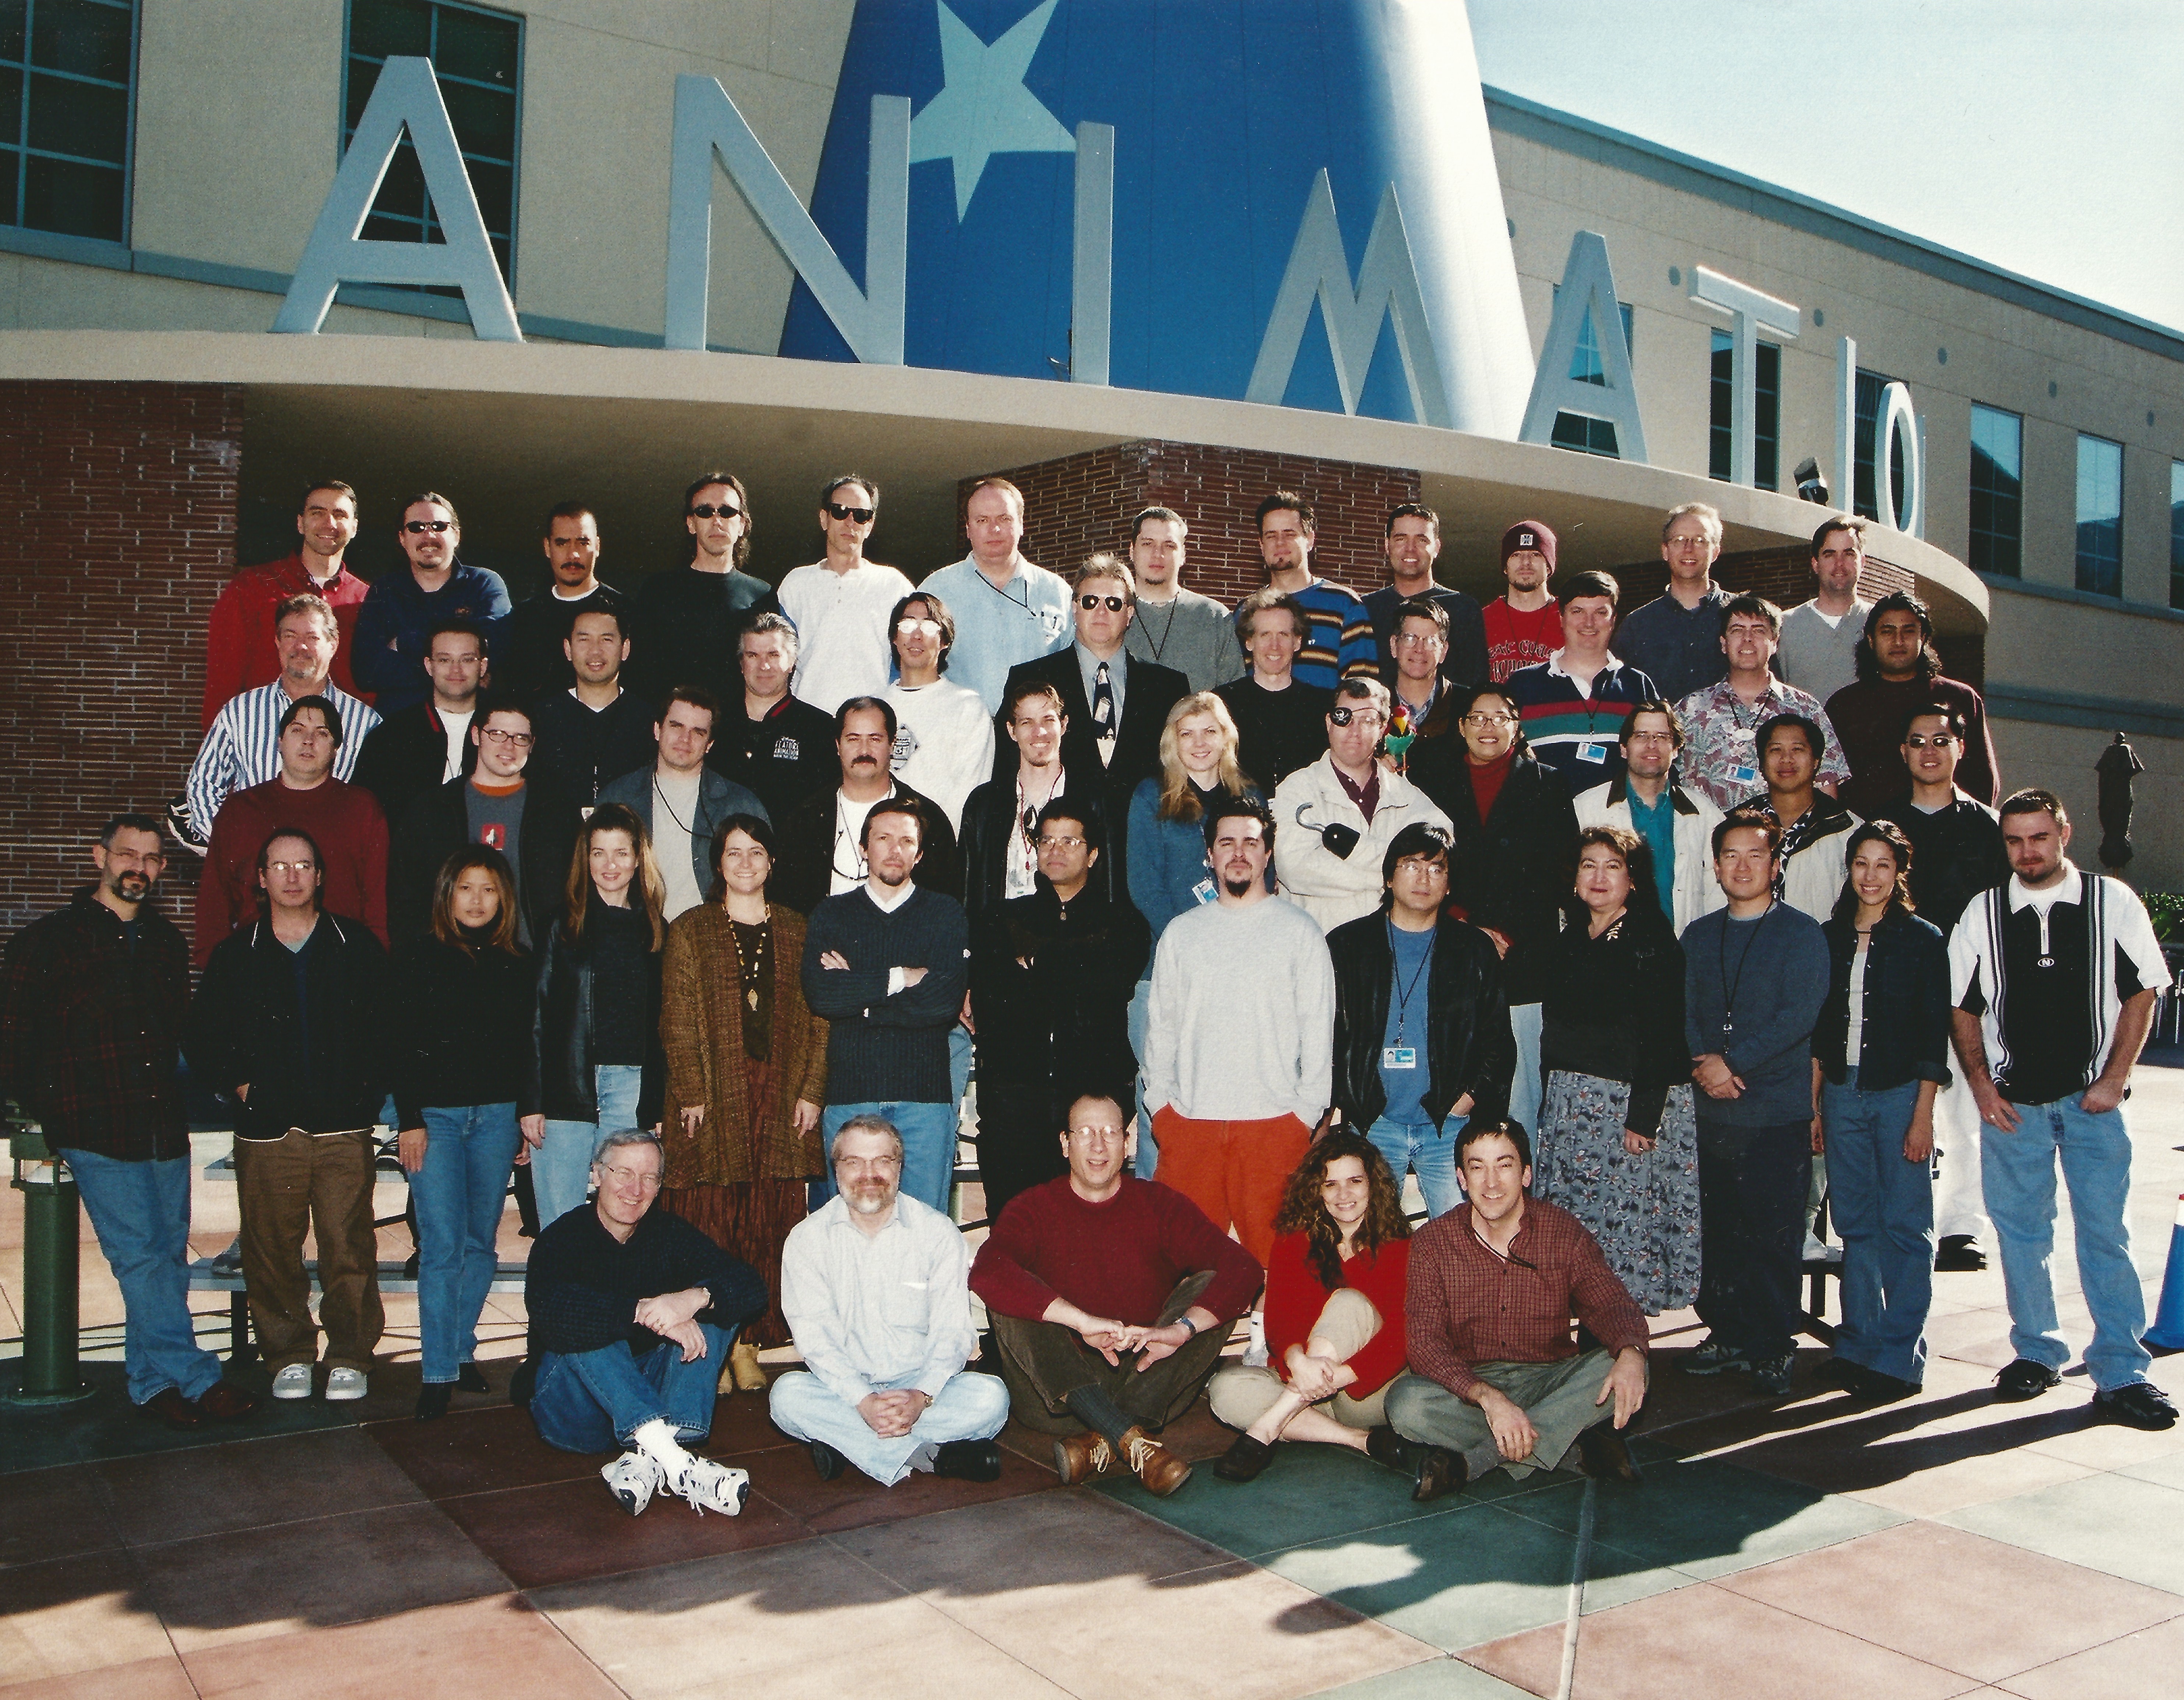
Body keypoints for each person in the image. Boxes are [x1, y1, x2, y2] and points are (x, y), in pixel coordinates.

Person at [0, 815, 259, 1429]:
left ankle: (150, 1383)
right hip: (94, 1129)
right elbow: (14, 1036)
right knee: (141, 1257)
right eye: (126, 855)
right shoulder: (48, 941)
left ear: (162, 869)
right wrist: (49, 1116)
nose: (137, 867)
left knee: (167, 1256)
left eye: (150, 858)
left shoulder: (167, 945)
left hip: (159, 1126)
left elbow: (178, 1037)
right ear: (100, 858)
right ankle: (199, 1378)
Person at [1948, 789, 2177, 1429]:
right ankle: (2037, 1353)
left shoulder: (2111, 902)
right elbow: (1961, 1007)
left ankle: (2121, 1372)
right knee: (2022, 1237)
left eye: (2039, 838)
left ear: (2064, 833)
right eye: (2015, 840)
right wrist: (1980, 1086)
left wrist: (2113, 1079)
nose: (2028, 851)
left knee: (2107, 1235)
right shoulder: (1983, 913)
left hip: (2091, 1104)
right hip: (2012, 1107)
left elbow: (2142, 993)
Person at [970, 1096, 1264, 1495]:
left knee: (1212, 1288)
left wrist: (1182, 1329)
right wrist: (1080, 1322)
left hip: (1147, 1382)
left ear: (1127, 1144)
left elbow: (1242, 1267)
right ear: (1064, 1144)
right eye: (1085, 1133)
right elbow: (987, 1271)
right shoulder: (1033, 1208)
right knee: (1012, 1295)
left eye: (1110, 1133)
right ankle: (1133, 1440)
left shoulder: (1158, 1204)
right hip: (1056, 1395)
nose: (1098, 1146)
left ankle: (1106, 1441)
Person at [188, 828, 390, 1402]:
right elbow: (204, 1037)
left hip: (341, 1128)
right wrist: (243, 1087)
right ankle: (289, 1353)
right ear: (261, 877)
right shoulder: (237, 954)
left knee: (348, 1247)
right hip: (268, 1130)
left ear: (320, 876)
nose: (293, 876)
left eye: (304, 865)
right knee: (272, 1248)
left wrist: (363, 1095)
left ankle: (351, 1353)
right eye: (280, 866)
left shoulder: (354, 945)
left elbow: (387, 1028)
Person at [1384, 1120, 1650, 1497]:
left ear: (1525, 1174)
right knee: (1405, 1404)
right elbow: (1425, 1344)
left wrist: (1630, 1352)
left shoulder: (1562, 1232)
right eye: (1477, 1167)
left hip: (1549, 1379)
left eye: (1504, 1165)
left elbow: (1610, 1303)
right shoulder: (1433, 1242)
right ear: (1461, 1178)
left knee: (1625, 1366)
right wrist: (1488, 1398)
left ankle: (1472, 1463)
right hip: (1472, 1389)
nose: (1490, 1183)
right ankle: (1570, 1446)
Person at [659, 816, 829, 1396]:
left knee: (768, 1220)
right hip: (713, 1093)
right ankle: (712, 1345)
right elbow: (678, 1018)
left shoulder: (798, 929)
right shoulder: (691, 929)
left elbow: (819, 1021)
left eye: (757, 852)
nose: (747, 863)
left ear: (772, 863)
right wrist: (692, 1093)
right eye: (735, 853)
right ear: (718, 863)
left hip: (780, 1094)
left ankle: (750, 1344)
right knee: (709, 1220)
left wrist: (811, 1092)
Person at [518, 1128, 767, 1517]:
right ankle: (680, 1465)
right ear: (597, 1175)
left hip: (650, 1400)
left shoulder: (668, 1233)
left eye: (649, 1178)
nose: (635, 1189)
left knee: (716, 1307)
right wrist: (645, 1312)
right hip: (576, 1412)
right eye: (623, 1174)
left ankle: (653, 1453)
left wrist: (692, 1299)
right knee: (590, 1322)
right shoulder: (560, 1239)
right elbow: (552, 1311)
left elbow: (749, 1285)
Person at [1143, 797, 1334, 1271]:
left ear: (1268, 853)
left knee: (1282, 1270)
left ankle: (1265, 1347)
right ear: (1208, 855)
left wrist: (1302, 1117)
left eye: (1251, 842)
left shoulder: (1300, 933)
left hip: (1273, 1128)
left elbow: (1318, 1034)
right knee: (1182, 1272)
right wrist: (1163, 1111)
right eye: (1226, 842)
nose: (1239, 853)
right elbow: (1160, 1031)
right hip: (1191, 1126)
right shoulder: (1182, 934)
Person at [769, 1116, 1011, 1485]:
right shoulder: (807, 1240)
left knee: (991, 1398)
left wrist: (921, 1396)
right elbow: (815, 1341)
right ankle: (929, 1457)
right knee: (786, 1397)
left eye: (882, 1161)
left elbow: (952, 1333)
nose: (869, 1173)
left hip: (920, 1389)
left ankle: (847, 1447)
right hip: (844, 1393)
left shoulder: (936, 1232)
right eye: (854, 1162)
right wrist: (862, 1401)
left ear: (899, 1167)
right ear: (837, 1169)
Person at [1680, 810, 1831, 1398]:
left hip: (1774, 1112)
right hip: (1712, 1109)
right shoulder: (1698, 934)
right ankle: (1727, 1334)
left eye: (1756, 855)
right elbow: (1687, 1011)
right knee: (1718, 1233)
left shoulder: (1801, 933)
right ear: (1715, 867)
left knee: (1772, 1233)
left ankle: (1773, 1344)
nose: (1743, 867)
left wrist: (1732, 1064)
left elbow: (1800, 1017)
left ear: (1775, 864)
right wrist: (1704, 1063)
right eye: (1731, 857)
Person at [391, 847, 536, 1421]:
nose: (477, 901)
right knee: (443, 1245)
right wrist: (410, 1119)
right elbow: (399, 1043)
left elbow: (528, 1047)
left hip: (498, 1118)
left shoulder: (518, 962)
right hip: (437, 1121)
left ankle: (460, 1351)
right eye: (466, 889)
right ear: (447, 895)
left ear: (504, 900)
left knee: (481, 1243)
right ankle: (436, 1371)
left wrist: (526, 1115)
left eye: (490, 890)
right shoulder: (416, 958)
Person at [1531, 827, 1699, 1315]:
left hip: (1627, 1110)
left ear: (1633, 880)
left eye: (1612, 866)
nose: (1599, 877)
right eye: (1589, 865)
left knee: (1625, 1238)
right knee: (1577, 1233)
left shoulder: (1651, 940)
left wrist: (1644, 1118)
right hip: (1571, 1108)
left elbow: (1665, 1035)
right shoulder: (1570, 939)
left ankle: (1625, 1353)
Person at [1811, 822, 1950, 1402]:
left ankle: (1899, 1356)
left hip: (1898, 1097)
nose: (1870, 877)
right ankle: (1859, 1342)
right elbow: (1820, 1033)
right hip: (1841, 1096)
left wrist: (1923, 1117)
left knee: (1906, 1226)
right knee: (1857, 1225)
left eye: (1883, 866)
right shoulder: (1830, 936)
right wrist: (1815, 1106)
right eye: (1861, 864)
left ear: (1900, 874)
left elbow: (1931, 1036)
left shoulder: (1921, 939)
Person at [1407, 684, 1580, 1139]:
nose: (1487, 726)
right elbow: (1424, 865)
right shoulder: (1431, 783)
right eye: (1476, 717)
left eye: (1498, 717)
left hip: (1522, 959)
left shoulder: (1548, 784)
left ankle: (1522, 1197)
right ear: (1461, 727)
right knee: (1456, 1087)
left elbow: (1559, 876)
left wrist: (1500, 932)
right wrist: (1466, 925)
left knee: (1520, 1094)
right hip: (1452, 952)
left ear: (1516, 726)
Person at [970, 800, 1148, 1222]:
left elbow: (1108, 986)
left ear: (1092, 854)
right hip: (1015, 1098)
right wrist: (1075, 963)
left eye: (1070, 840)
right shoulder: (1002, 916)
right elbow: (995, 997)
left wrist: (1036, 963)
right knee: (1015, 1227)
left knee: (1092, 1229)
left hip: (1091, 1097)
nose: (1056, 849)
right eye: (1046, 839)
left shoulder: (1122, 922)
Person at [1328, 824, 1512, 1221]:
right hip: (1374, 1123)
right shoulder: (1347, 946)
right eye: (1411, 865)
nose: (1423, 877)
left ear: (1449, 885)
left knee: (1464, 1243)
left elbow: (1498, 1041)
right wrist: (1348, 1104)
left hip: (1447, 1126)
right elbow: (1328, 1037)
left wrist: (1466, 1102)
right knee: (1369, 1242)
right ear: (1389, 877)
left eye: (1436, 868)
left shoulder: (1472, 950)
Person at [1206, 1133, 1415, 1481]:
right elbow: (1280, 1320)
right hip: (1306, 1382)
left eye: (1355, 1182)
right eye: (1330, 1184)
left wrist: (1341, 1377)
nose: (1343, 1195)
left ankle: (1267, 1429)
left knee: (1348, 1302)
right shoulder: (1293, 1241)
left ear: (1373, 1185)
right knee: (1224, 1391)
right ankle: (1359, 1442)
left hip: (1364, 1392)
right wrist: (1297, 1361)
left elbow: (1403, 1334)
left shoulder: (1402, 1247)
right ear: (1316, 1190)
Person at [801, 796, 971, 1215]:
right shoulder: (831, 914)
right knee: (847, 1232)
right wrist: (903, 978)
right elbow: (823, 995)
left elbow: (944, 1003)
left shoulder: (945, 914)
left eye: (906, 841)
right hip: (850, 1095)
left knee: (923, 1230)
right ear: (864, 847)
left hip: (924, 1101)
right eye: (883, 838)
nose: (895, 849)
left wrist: (859, 998)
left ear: (920, 853)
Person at [1894, 702, 2010, 1271]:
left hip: (1970, 991)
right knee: (1909, 1113)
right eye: (1918, 741)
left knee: (1967, 1114)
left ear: (1961, 749)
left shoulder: (1989, 826)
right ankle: (1910, 1218)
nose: (1930, 751)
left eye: (1941, 740)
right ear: (1904, 752)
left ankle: (1963, 1228)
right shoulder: (1884, 825)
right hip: (1902, 992)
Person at [524, 804, 668, 1229]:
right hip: (565, 1086)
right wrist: (532, 1103)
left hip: (629, 1086)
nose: (610, 865)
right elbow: (536, 1016)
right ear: (584, 859)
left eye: (621, 853)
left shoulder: (656, 930)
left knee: (625, 1214)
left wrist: (657, 1102)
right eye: (598, 852)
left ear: (638, 858)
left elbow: (661, 1029)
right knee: (560, 1220)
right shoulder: (558, 926)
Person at [994, 553, 1190, 859]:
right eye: (1090, 602)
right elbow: (1006, 770)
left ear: (1129, 614)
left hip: (1142, 849)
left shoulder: (1168, 687)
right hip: (1059, 853)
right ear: (1074, 609)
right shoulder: (1029, 678)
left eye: (1113, 603)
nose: (1101, 612)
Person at [197, 695, 388, 965]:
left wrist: (375, 965)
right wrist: (215, 968)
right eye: (298, 730)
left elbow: (378, 901)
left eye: (322, 733)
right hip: (256, 965)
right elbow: (214, 899)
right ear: (280, 741)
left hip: (341, 964)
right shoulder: (241, 810)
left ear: (336, 749)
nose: (308, 741)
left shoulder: (362, 809)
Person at [184, 592, 380, 845]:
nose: (301, 647)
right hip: (253, 868)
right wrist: (237, 848)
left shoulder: (365, 723)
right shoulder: (240, 712)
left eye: (312, 637)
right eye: (290, 636)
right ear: (277, 642)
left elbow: (376, 806)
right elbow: (203, 787)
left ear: (333, 644)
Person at [389, 698, 582, 949]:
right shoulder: (432, 810)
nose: (509, 746)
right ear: (476, 736)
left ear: (532, 745)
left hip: (531, 966)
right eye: (497, 734)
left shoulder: (556, 812)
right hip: (449, 965)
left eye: (520, 738)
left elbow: (577, 895)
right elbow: (405, 899)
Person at [1274, 677, 1454, 932]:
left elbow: (1442, 849)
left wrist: (1356, 853)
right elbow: (1295, 870)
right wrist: (1397, 873)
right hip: (1321, 950)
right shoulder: (1297, 790)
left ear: (1383, 729)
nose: (1354, 730)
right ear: (1329, 723)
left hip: (1388, 952)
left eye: (1368, 721)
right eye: (1343, 717)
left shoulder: (1405, 796)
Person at [773, 696, 960, 916]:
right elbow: (787, 910)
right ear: (838, 746)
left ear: (892, 744)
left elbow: (945, 910)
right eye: (853, 739)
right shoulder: (806, 819)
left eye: (875, 739)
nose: (864, 750)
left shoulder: (928, 820)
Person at [595, 687, 770, 921]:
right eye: (676, 726)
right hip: (636, 935)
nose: (685, 739)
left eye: (698, 732)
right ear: (657, 730)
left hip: (710, 938)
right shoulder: (617, 797)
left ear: (709, 744)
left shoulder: (740, 805)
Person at [202, 481, 369, 725]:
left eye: (339, 515)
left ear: (354, 527)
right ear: (300, 523)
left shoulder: (369, 600)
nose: (329, 523)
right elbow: (223, 679)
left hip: (343, 746)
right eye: (318, 513)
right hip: (261, 739)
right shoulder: (252, 587)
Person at [1825, 591, 2000, 818]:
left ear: (1924, 638)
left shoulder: (1960, 699)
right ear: (1871, 640)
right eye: (1887, 632)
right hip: (1868, 839)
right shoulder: (1843, 706)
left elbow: (1983, 782)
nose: (1898, 641)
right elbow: (1829, 784)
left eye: (1908, 631)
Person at [960, 680, 1114, 925]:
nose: (1039, 732)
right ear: (1011, 731)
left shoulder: (1093, 801)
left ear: (1064, 725)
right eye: (1027, 722)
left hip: (1070, 944)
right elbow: (967, 894)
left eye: (1048, 720)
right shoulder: (984, 804)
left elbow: (1109, 885)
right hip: (998, 945)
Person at [1674, 594, 1849, 810]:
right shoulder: (1689, 710)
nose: (1748, 638)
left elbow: (1826, 787)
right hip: (1709, 840)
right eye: (1737, 630)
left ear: (1775, 643)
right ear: (1723, 644)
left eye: (1759, 630)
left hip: (1787, 840)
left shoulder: (1805, 709)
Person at [627, 472, 781, 709]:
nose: (717, 520)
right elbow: (639, 674)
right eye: (705, 512)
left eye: (727, 512)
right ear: (691, 523)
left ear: (742, 525)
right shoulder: (658, 591)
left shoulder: (762, 595)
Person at [916, 477, 1072, 713]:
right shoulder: (936, 592)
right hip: (961, 735)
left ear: (1021, 524)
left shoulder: (1057, 592)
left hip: (1033, 740)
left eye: (1004, 518)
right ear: (968, 529)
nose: (995, 529)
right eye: (982, 520)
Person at [1573, 700, 1726, 935]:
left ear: (1675, 750)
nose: (1651, 745)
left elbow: (1719, 892)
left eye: (1662, 737)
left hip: (1684, 951)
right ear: (1624, 748)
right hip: (1606, 953)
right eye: (1641, 736)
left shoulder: (1704, 814)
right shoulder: (1584, 809)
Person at [353, 492, 511, 716]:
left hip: (472, 730)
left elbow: (496, 645)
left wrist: (405, 642)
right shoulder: (384, 591)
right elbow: (366, 671)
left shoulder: (484, 584)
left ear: (456, 535)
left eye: (439, 526)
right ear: (402, 538)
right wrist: (458, 667)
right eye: (416, 527)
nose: (428, 535)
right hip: (401, 729)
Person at [1503, 570, 1660, 790]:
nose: (1589, 623)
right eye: (1578, 611)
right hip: (1546, 821)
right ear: (1561, 618)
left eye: (1600, 612)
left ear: (1614, 620)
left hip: (1620, 821)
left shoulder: (1637, 685)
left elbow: (1661, 764)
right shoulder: (1523, 684)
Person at [778, 474, 914, 713]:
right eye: (840, 511)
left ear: (870, 526)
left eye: (861, 515)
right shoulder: (795, 585)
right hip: (807, 724)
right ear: (824, 519)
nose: (850, 522)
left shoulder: (895, 586)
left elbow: (913, 663)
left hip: (871, 729)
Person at [351, 619, 483, 828]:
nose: (456, 670)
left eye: (467, 660)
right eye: (444, 660)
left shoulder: (503, 731)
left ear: (482, 666)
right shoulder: (391, 736)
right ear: (429, 666)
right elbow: (363, 816)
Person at [882, 589, 993, 832]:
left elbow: (968, 796)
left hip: (938, 848)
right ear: (894, 637)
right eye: (908, 624)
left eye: (930, 626)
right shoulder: (876, 708)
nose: (917, 635)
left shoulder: (968, 708)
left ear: (945, 641)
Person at [528, 606, 658, 807]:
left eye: (607, 639)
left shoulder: (650, 719)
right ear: (568, 649)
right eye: (584, 639)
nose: (595, 651)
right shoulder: (540, 717)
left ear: (625, 649)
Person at [496, 502, 625, 704]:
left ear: (598, 547)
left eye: (583, 543)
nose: (573, 554)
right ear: (548, 547)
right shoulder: (524, 618)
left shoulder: (626, 612)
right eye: (562, 543)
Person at [717, 613, 839, 818]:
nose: (763, 666)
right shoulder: (716, 723)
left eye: (773, 655)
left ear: (792, 662)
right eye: (753, 655)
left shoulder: (820, 729)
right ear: (741, 664)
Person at [1611, 503, 1733, 703]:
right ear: (1665, 551)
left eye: (1700, 540)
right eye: (1679, 540)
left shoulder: (1742, 618)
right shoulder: (1637, 625)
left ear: (1716, 551)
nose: (1689, 549)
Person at [1252, 489, 1374, 690]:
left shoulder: (1345, 606)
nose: (1280, 543)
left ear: (1310, 540)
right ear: (1261, 545)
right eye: (1271, 536)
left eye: (1290, 534)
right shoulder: (1247, 611)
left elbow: (1362, 691)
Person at [1216, 589, 1334, 793]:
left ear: (1297, 642)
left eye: (1283, 634)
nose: (1274, 646)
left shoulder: (1323, 705)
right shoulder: (1221, 704)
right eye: (1265, 635)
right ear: (1249, 642)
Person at [1364, 502, 1489, 693]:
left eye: (1421, 540)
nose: (1410, 549)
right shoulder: (1365, 609)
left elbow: (1477, 686)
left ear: (1437, 547)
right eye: (1401, 539)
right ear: (1387, 546)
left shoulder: (1463, 608)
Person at [1123, 505, 1245, 692]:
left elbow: (1235, 697)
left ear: (1183, 555)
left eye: (1169, 545)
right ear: (1132, 551)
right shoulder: (1111, 612)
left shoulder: (1214, 618)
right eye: (1148, 544)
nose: (1158, 553)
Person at [1752, 713, 1862, 921]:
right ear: (1762, 764)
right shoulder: (1736, 826)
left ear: (1816, 761)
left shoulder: (1848, 830)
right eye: (1776, 750)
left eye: (1797, 749)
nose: (1787, 759)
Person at [1776, 513, 1874, 709]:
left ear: (1862, 562)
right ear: (1815, 564)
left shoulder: (1880, 624)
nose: (1839, 564)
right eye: (1829, 555)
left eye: (1849, 554)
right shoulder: (1784, 626)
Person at [1481, 520, 1563, 683]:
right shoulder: (1481, 620)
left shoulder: (1571, 617)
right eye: (1516, 555)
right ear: (1505, 566)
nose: (1526, 562)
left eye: (1536, 554)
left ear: (1549, 567)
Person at [1382, 598, 1461, 753]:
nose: (1420, 649)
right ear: (1393, 645)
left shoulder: (1467, 706)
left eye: (1431, 641)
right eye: (1410, 638)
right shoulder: (1374, 705)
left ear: (1444, 651)